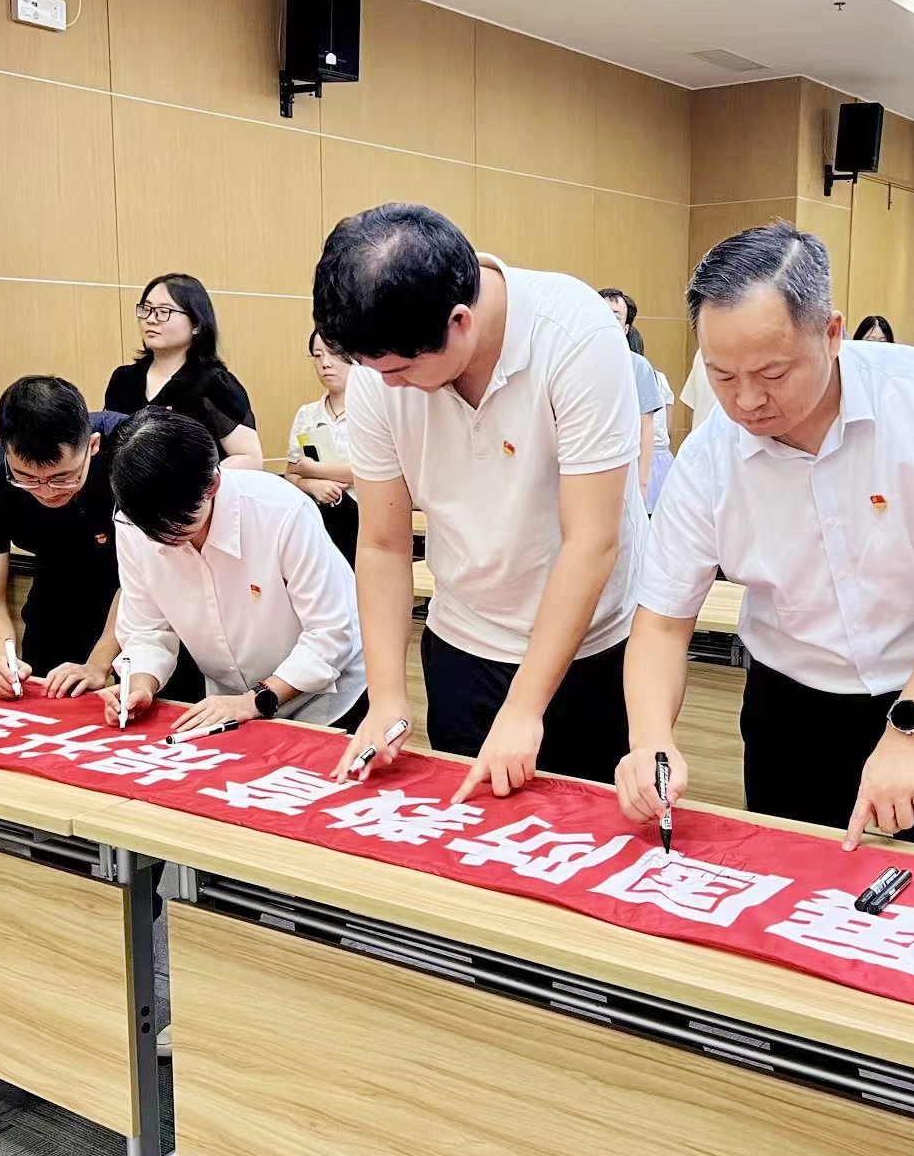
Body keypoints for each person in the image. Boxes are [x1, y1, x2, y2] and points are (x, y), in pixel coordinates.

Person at [614, 221, 914, 860]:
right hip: (793, 716)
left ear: (832, 334)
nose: (747, 401)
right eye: (722, 376)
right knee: (796, 897)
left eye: (772, 372)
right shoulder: (709, 458)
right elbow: (663, 622)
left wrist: (912, 732)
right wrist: (649, 740)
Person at [311, 203, 644, 804]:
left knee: (582, 830)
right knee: (472, 828)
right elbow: (383, 543)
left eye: (402, 369)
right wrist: (387, 697)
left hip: (589, 647)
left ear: (460, 321)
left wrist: (525, 707)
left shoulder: (575, 335)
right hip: (464, 639)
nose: (388, 384)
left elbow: (592, 540)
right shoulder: (380, 375)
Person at [99, 411, 368, 732]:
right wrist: (140, 687)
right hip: (231, 704)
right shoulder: (132, 522)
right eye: (151, 531)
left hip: (327, 698)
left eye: (178, 526)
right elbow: (146, 629)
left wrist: (255, 700)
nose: (163, 540)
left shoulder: (281, 512)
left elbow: (330, 634)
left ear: (212, 485)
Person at [0, 377, 129, 699]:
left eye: (63, 477)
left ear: (93, 446)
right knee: (44, 690)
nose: (47, 491)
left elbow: (145, 580)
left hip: (145, 589)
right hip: (58, 580)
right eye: (26, 479)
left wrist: (98, 664)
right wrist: (1, 660)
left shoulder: (130, 452)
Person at [103, 273, 263, 470]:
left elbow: (249, 457)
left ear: (196, 324)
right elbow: (108, 444)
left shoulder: (214, 383)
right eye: (146, 309)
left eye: (164, 311)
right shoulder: (123, 379)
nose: (151, 319)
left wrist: (199, 483)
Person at [286, 330, 359, 565]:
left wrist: (313, 469)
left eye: (334, 353)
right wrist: (312, 485)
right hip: (320, 522)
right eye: (317, 356)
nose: (325, 363)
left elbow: (370, 471)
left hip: (365, 521)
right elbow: (291, 474)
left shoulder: (374, 412)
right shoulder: (307, 414)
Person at [599, 288, 675, 511]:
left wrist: (642, 484)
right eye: (601, 312)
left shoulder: (638, 366)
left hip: (625, 469)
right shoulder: (573, 362)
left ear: (625, 328)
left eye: (615, 316)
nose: (606, 320)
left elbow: (646, 427)